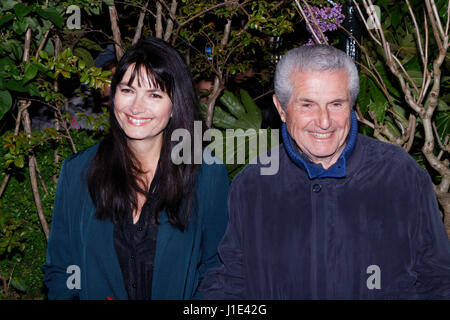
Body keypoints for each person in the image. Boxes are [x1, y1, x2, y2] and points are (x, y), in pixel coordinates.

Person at [200, 45, 450, 299]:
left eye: (336, 104)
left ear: (352, 106)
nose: (324, 121)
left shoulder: (399, 174)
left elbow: (437, 278)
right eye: (307, 105)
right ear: (281, 108)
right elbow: (231, 279)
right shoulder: (253, 183)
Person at [42, 37, 229, 300]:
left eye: (154, 94)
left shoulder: (205, 174)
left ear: (176, 104)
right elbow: (62, 269)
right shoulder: (79, 172)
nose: (136, 107)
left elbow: (218, 269)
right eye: (128, 90)